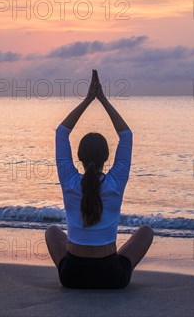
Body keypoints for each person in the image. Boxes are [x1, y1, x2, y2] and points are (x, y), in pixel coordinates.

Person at [45, 70, 154, 289]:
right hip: (112, 277)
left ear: (78, 157)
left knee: (52, 232)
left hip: (72, 276)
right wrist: (103, 100)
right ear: (107, 157)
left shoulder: (69, 181)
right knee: (146, 232)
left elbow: (61, 133)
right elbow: (126, 135)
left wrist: (87, 100)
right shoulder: (115, 182)